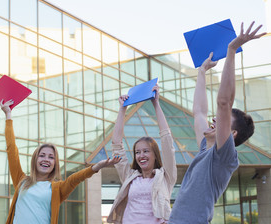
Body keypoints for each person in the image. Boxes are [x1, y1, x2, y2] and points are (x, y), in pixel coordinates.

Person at [168, 22, 266, 223]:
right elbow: (199, 112)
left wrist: (230, 50)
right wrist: (202, 72)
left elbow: (224, 102)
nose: (215, 119)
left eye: (222, 120)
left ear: (232, 135)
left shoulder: (225, 156)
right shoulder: (206, 148)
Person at [0, 99, 121, 224]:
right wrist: (8, 116)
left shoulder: (57, 188)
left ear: (55, 165)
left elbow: (75, 179)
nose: (46, 159)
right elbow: (11, 149)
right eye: (42, 155)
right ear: (35, 160)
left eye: (51, 157)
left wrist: (96, 167)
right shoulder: (21, 181)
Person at [107, 84, 177, 224]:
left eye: (146, 151)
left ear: (155, 155)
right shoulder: (130, 177)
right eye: (137, 152)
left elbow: (167, 141)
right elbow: (116, 145)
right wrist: (122, 109)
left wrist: (156, 103)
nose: (141, 155)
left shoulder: (166, 177)